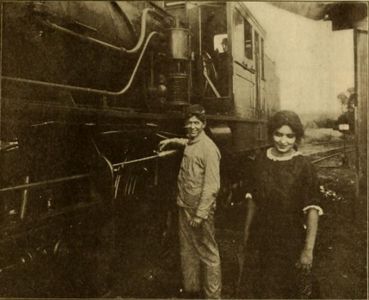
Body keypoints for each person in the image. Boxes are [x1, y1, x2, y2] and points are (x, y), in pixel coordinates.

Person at [241, 110, 323, 299]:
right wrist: (246, 237)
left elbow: (312, 210)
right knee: (259, 289)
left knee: (285, 290)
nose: (283, 141)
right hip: (261, 239)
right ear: (271, 134)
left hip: (290, 242)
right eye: (278, 134)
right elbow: (253, 201)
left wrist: (308, 250)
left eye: (289, 136)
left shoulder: (304, 167)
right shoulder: (260, 161)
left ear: (297, 137)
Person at [159, 104, 222, 299]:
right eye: (189, 123)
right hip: (185, 206)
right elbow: (186, 142)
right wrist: (171, 140)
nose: (192, 127)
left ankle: (213, 296)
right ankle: (192, 291)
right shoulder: (192, 143)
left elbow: (212, 186)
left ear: (204, 124)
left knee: (208, 254)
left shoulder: (209, 149)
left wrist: (200, 214)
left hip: (199, 210)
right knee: (188, 252)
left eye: (196, 123)